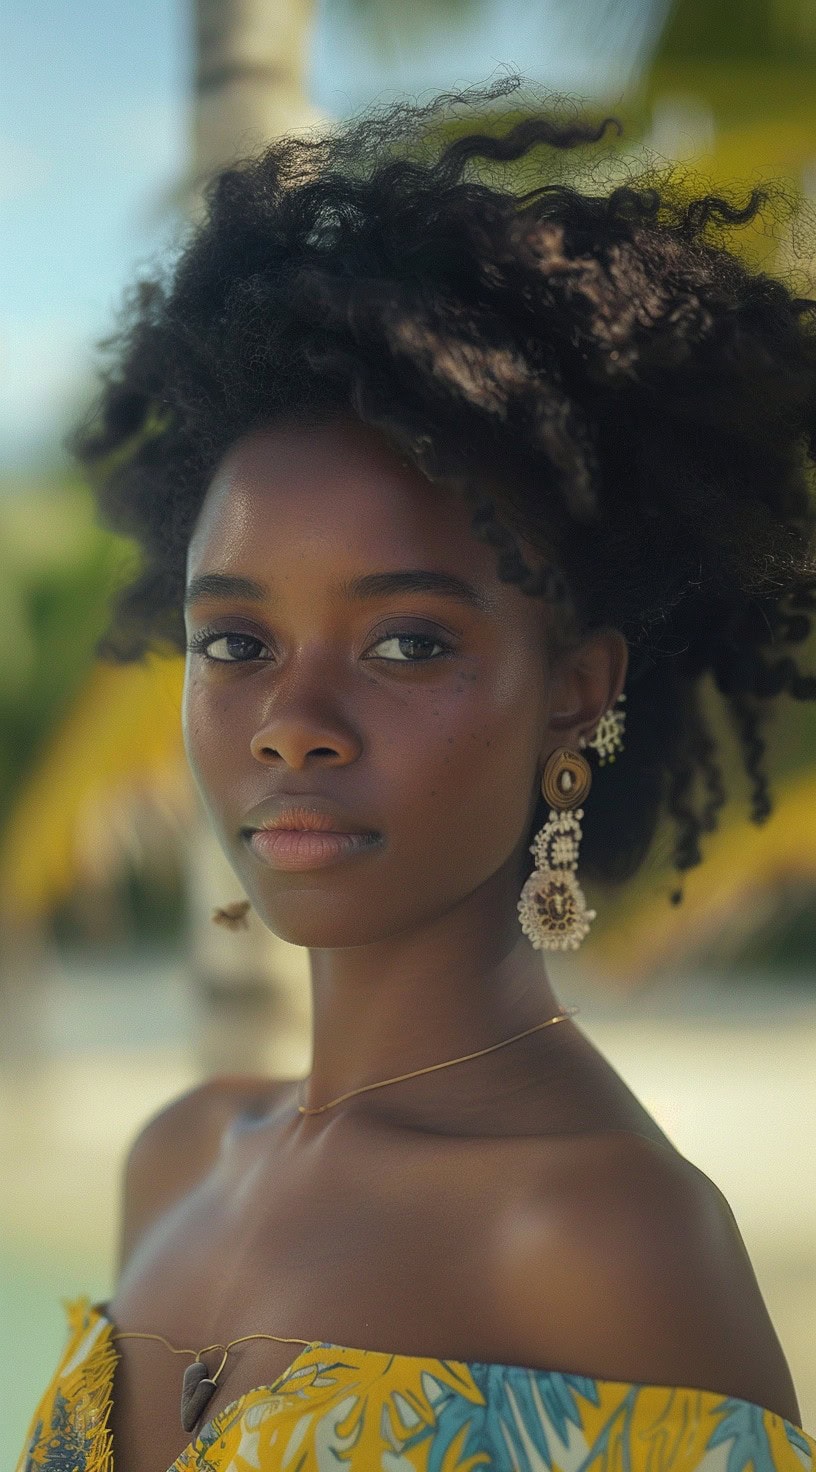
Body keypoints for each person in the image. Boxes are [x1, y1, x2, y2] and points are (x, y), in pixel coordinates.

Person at [16, 74, 816, 1472]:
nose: (292, 723)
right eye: (238, 640)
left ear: (577, 691)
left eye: (401, 641)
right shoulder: (179, 1157)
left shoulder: (601, 1238)